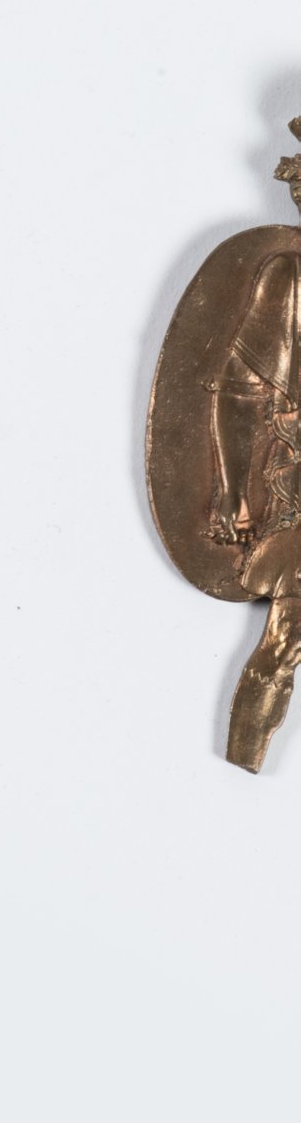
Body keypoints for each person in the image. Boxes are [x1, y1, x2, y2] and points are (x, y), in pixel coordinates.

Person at [211, 138, 301, 770]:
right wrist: (235, 493)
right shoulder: (290, 281)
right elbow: (240, 393)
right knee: (285, 641)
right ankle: (241, 759)